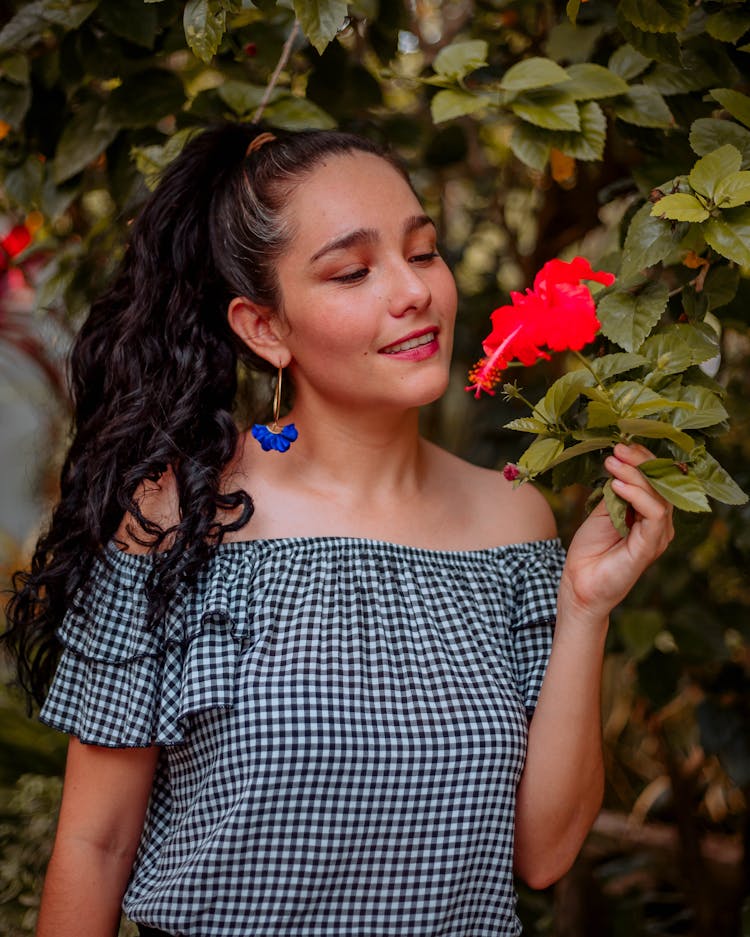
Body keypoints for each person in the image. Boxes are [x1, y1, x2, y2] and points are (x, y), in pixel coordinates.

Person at [3, 124, 673, 937]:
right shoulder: (177, 518)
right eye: (354, 271)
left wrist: (586, 609)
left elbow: (543, 851)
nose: (413, 291)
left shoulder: (513, 517)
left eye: (422, 252)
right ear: (264, 328)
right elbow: (95, 840)